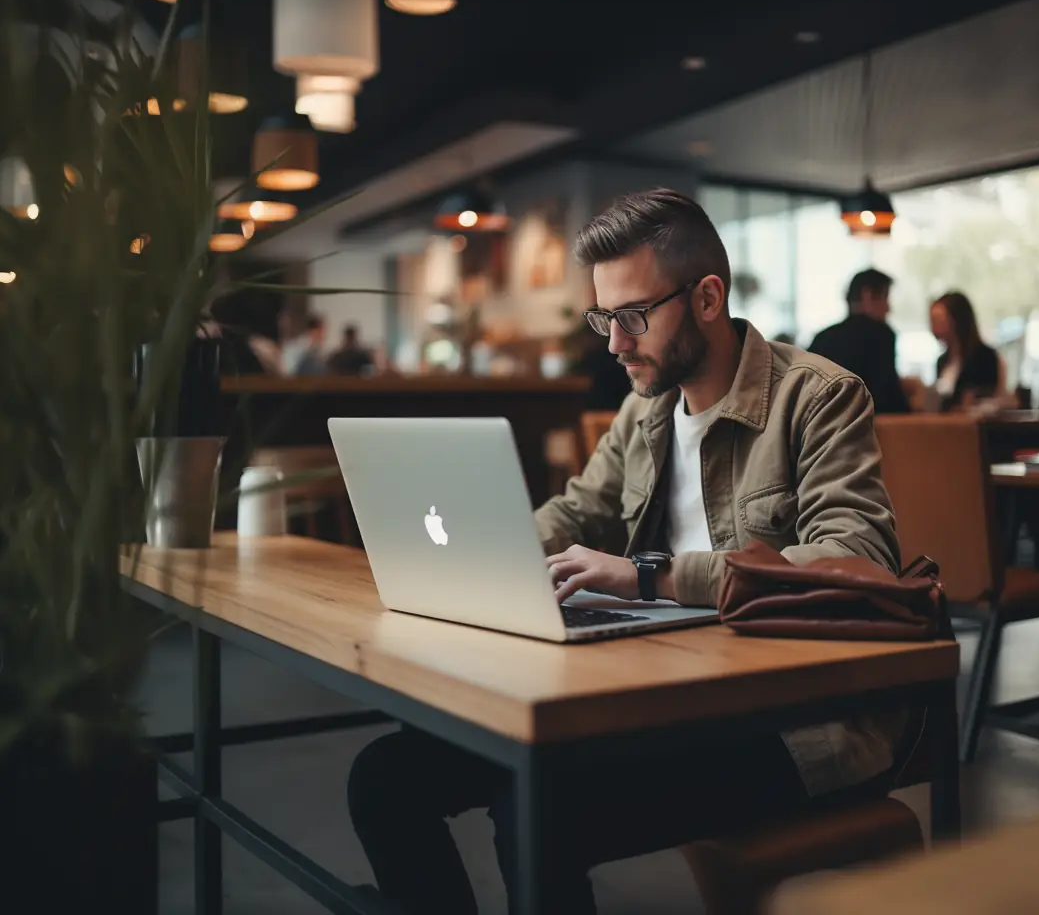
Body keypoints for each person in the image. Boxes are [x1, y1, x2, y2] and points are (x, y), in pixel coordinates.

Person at [346, 189, 907, 914]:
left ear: (708, 297)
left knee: (537, 810)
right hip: (656, 694)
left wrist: (650, 576)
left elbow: (855, 558)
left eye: (633, 316)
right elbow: (582, 509)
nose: (614, 343)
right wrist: (480, 552)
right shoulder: (648, 406)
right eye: (603, 317)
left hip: (795, 720)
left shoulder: (820, 397)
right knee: (385, 779)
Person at [807, 269, 911, 414]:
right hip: (868, 429)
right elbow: (888, 396)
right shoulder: (881, 335)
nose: (888, 308)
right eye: (885, 297)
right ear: (867, 295)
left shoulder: (822, 337)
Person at [929, 291, 1011, 412]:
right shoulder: (942, 361)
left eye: (939, 320)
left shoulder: (984, 357)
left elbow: (990, 397)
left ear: (956, 319)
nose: (934, 327)